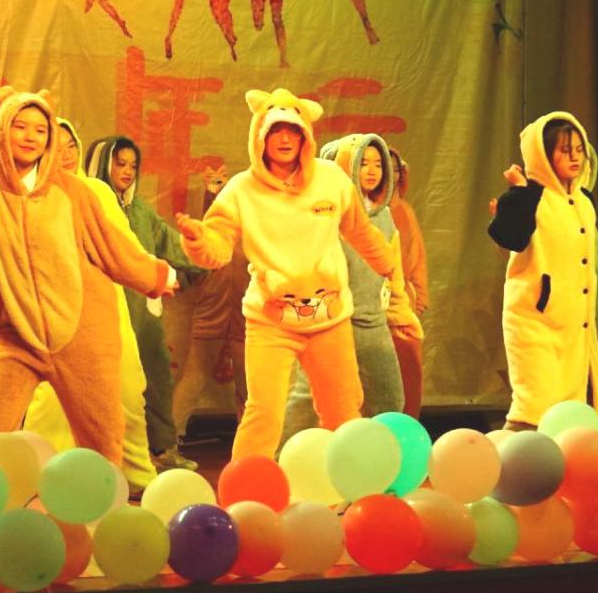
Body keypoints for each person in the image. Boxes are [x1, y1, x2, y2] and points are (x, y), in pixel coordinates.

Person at [0, 88, 175, 466]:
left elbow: (111, 246)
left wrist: (156, 276)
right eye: (20, 126)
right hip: (18, 336)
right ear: (2, 130)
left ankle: (102, 502)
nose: (31, 136)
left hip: (82, 335)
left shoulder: (72, 191)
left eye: (40, 129)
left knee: (102, 441)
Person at [175, 89, 396, 462]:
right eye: (275, 129)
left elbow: (361, 231)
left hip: (330, 320)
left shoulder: (331, 180)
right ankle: (247, 489)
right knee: (263, 413)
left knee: (344, 410)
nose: (284, 138)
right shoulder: (242, 189)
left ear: (305, 135)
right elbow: (218, 247)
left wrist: (391, 268)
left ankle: (350, 487)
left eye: (293, 130)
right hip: (270, 321)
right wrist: (198, 241)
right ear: (259, 135)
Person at [21, 119, 161, 490]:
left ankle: (135, 475)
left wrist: (156, 277)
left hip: (107, 308)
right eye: (57, 147)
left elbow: (126, 247)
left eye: (71, 145)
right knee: (52, 399)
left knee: (127, 390)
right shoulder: (33, 195)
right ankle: (40, 476)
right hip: (56, 311)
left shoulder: (97, 190)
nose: (66, 154)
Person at [281, 135, 420, 433]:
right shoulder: (324, 213)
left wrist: (401, 315)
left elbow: (393, 273)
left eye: (378, 164)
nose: (371, 171)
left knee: (389, 399)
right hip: (330, 323)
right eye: (363, 163)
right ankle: (282, 454)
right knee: (308, 398)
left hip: (372, 324)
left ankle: (384, 456)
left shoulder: (384, 216)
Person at [487, 112, 598, 429]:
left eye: (579, 149)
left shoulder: (584, 201)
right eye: (564, 150)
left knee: (571, 414)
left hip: (576, 327)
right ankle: (506, 458)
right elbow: (509, 238)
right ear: (544, 155)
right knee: (533, 411)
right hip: (535, 322)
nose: (575, 157)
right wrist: (519, 196)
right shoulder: (529, 197)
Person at [84, 134, 205, 470]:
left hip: (143, 315)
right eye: (119, 164)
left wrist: (206, 253)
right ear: (101, 164)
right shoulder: (87, 207)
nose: (126, 171)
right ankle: (106, 458)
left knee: (155, 378)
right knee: (105, 388)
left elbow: (175, 248)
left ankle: (162, 451)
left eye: (132, 166)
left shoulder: (141, 213)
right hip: (101, 312)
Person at [170, 167, 246, 447]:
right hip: (214, 308)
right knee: (196, 376)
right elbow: (207, 232)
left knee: (249, 386)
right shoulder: (217, 228)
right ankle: (167, 443)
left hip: (245, 314)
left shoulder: (256, 222)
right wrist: (212, 193)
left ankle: (251, 446)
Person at [385, 147, 429, 417]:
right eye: (384, 167)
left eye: (395, 169)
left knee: (407, 374)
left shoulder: (404, 211)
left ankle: (406, 426)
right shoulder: (357, 212)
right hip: (369, 308)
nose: (389, 174)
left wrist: (419, 297)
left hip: (403, 305)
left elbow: (417, 257)